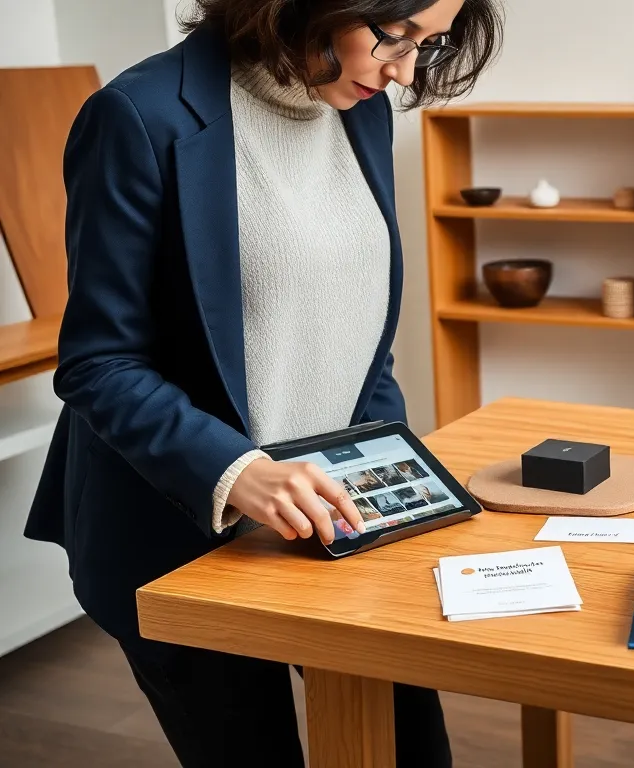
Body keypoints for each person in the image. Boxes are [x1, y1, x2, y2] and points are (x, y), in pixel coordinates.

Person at [24, 1, 503, 766]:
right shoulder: (138, 116)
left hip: (334, 518)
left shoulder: (361, 108)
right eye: (394, 36)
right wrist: (238, 472)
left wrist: (400, 484)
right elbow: (97, 362)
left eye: (429, 45)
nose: (406, 70)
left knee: (411, 752)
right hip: (179, 532)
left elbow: (354, 336)